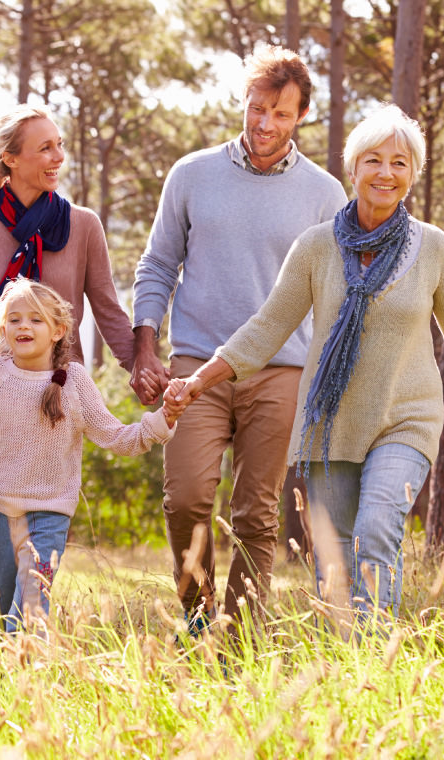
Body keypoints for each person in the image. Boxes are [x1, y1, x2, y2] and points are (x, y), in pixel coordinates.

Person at [166, 104, 444, 619]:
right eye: (374, 160)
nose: (386, 173)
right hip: (332, 423)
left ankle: (373, 658)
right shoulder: (316, 247)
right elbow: (269, 326)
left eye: (400, 163)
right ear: (354, 168)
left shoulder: (433, 248)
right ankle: (348, 665)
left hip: (406, 419)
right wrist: (199, 379)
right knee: (335, 558)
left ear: (413, 174)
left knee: (377, 528)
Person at [131, 45, 348, 627]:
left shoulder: (325, 195)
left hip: (281, 370)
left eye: (280, 114)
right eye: (256, 109)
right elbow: (157, 264)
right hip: (195, 366)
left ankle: (242, 633)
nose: (264, 124)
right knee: (186, 498)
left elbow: (335, 294)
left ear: (301, 116)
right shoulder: (192, 174)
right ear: (244, 104)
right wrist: (144, 346)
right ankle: (197, 617)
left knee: (255, 513)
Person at [0, 104, 160, 606]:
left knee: (45, 522)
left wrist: (141, 368)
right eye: (45, 148)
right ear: (10, 160)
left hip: (56, 399)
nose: (58, 157)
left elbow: (107, 309)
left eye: (60, 145)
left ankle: (29, 627)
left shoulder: (82, 226)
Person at [0, 279, 178, 631]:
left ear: (58, 330)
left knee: (30, 609)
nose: (24, 326)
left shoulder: (74, 383)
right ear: (3, 329)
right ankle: (6, 676)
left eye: (36, 320)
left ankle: (29, 673)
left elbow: (117, 437)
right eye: (15, 319)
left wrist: (163, 420)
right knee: (2, 609)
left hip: (48, 517)